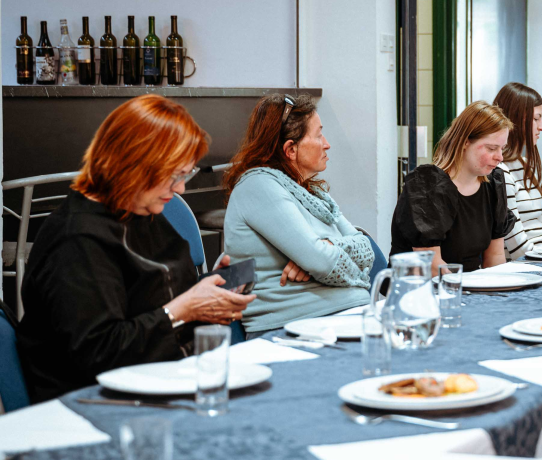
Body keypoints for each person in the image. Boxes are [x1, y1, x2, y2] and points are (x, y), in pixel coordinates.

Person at [17, 95, 254, 403]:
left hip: (160, 381)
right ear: (133, 165)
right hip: (95, 404)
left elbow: (153, 296)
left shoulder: (140, 213)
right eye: (174, 176)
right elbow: (98, 353)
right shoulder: (77, 239)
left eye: (187, 174)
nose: (181, 188)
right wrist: (185, 309)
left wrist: (208, 292)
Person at [223, 94, 375, 334]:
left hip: (341, 317)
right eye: (318, 135)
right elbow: (322, 261)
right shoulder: (258, 185)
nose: (327, 144)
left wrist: (325, 247)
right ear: (290, 149)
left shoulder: (315, 193)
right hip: (292, 327)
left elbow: (366, 251)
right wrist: (317, 260)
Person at [391, 101, 516, 274]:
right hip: (422, 290)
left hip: (468, 287)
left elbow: (494, 258)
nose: (500, 157)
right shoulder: (427, 186)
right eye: (492, 148)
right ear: (465, 142)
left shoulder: (493, 183)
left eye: (502, 149)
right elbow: (433, 267)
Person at [494, 83, 542, 259]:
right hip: (524, 266)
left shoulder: (526, 165)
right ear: (516, 119)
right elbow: (516, 246)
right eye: (536, 119)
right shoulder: (499, 171)